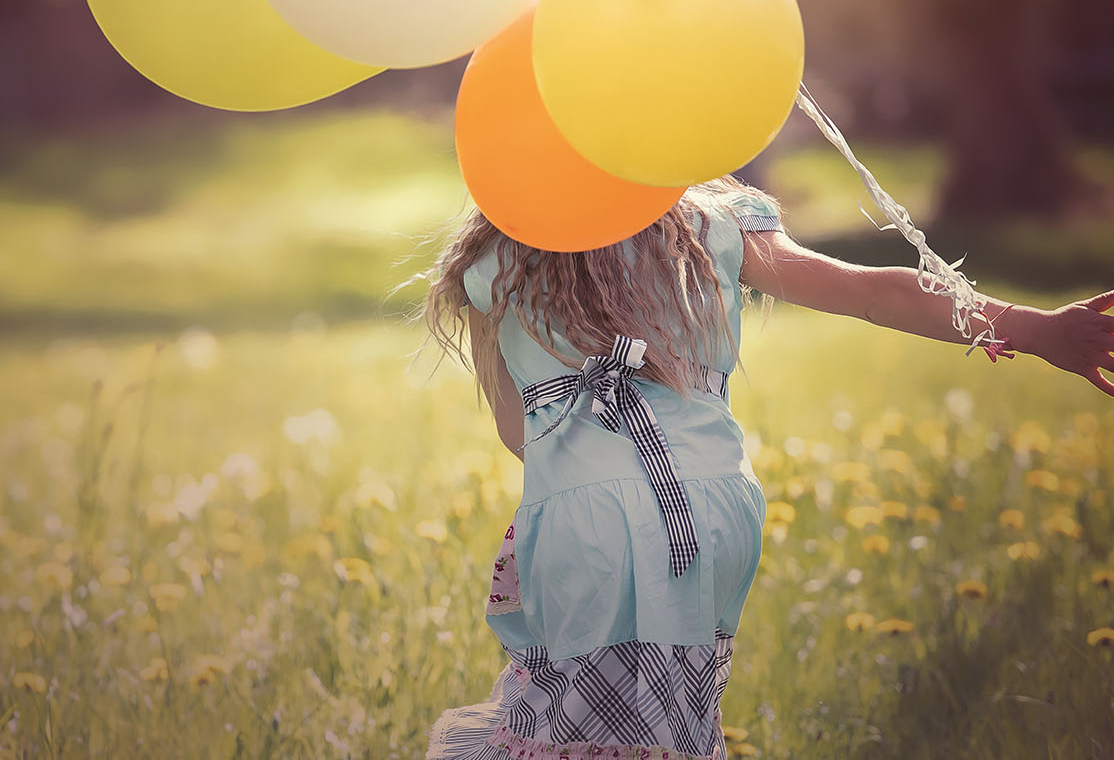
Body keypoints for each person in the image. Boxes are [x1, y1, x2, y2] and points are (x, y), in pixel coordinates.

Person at [417, 175, 1114, 760]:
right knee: (674, 721)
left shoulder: (495, 258)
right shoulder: (707, 220)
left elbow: (520, 432)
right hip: (712, 507)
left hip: (585, 515)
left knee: (570, 726)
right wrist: (1032, 326)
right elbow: (873, 290)